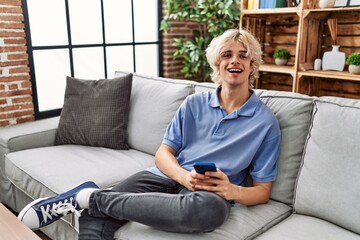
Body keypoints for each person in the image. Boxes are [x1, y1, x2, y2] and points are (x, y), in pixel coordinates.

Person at [18, 28, 280, 240]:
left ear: (252, 65)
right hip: (167, 175)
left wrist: (230, 190)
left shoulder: (265, 123)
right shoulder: (194, 104)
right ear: (217, 63)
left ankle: (88, 197)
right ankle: (92, 200)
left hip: (209, 194)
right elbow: (164, 153)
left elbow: (262, 191)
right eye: (227, 54)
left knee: (207, 213)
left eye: (243, 55)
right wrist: (183, 176)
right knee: (96, 215)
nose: (235, 60)